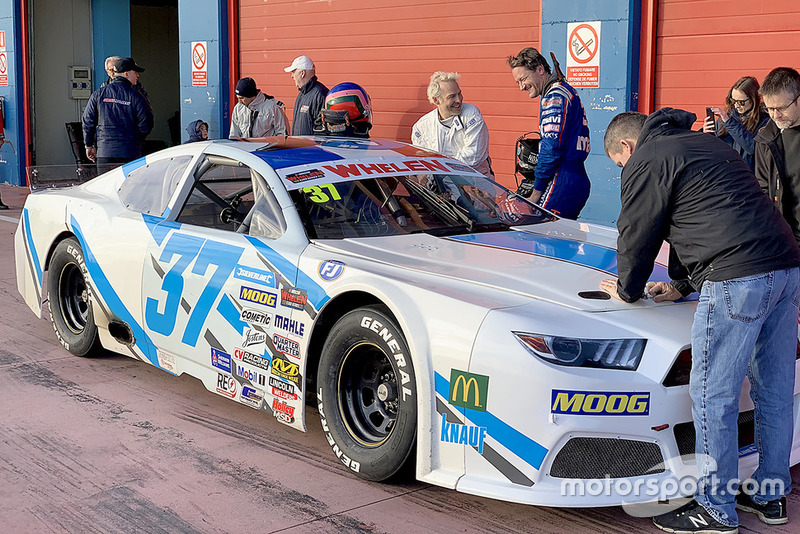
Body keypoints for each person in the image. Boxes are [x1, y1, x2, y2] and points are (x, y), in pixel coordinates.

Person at [601, 109, 800, 533]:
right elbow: (703, 216)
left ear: (626, 147)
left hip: (737, 277)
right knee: (776, 390)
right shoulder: (704, 144)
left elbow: (638, 229)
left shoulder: (647, 158)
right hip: (785, 268)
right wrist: (682, 284)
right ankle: (770, 495)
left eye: (620, 164)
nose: (625, 170)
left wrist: (627, 288)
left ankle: (714, 508)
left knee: (714, 396)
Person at [507, 47, 591, 219]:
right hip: (574, 177)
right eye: (517, 82)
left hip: (561, 180)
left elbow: (551, 148)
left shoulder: (554, 96)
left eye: (523, 79)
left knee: (539, 236)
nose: (521, 87)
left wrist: (536, 192)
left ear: (539, 69)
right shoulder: (564, 90)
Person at [411, 72, 493, 178]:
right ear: (436, 100)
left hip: (475, 184)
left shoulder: (471, 115)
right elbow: (421, 161)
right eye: (452, 96)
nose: (458, 100)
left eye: (459, 93)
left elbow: (473, 157)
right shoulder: (421, 127)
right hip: (440, 187)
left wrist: (440, 170)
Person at [755, 67, 800, 246]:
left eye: (780, 108)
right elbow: (763, 189)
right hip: (786, 241)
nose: (774, 115)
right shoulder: (765, 140)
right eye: (769, 108)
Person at [82, 57, 154, 165]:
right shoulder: (136, 96)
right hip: (130, 153)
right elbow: (147, 123)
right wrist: (134, 141)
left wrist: (89, 145)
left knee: (107, 182)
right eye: (135, 72)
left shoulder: (99, 94)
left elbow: (88, 121)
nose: (138, 75)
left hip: (105, 153)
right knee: (129, 182)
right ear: (126, 74)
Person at [703, 76, 769, 172]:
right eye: (733, 101)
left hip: (747, 176)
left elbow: (754, 148)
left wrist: (729, 123)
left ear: (753, 99)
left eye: (741, 102)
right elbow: (714, 150)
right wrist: (707, 135)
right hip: (725, 174)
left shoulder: (765, 120)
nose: (736, 105)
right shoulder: (727, 117)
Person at [284, 55, 328, 135]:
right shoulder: (302, 94)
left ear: (302, 73)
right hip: (299, 146)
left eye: (293, 72)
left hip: (311, 147)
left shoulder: (320, 94)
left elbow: (323, 131)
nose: (292, 76)